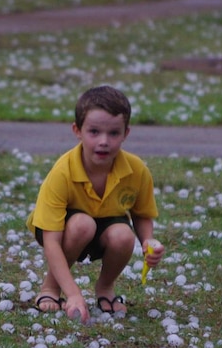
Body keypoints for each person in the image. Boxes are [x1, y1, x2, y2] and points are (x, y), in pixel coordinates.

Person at [26, 85, 165, 323]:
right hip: (65, 230)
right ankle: (50, 287)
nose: (104, 141)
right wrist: (73, 294)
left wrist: (148, 240)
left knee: (123, 235)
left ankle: (105, 287)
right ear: (77, 131)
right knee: (82, 224)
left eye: (113, 133)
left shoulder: (137, 170)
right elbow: (51, 240)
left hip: (106, 227)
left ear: (126, 133)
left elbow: (141, 214)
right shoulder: (63, 171)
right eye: (94, 132)